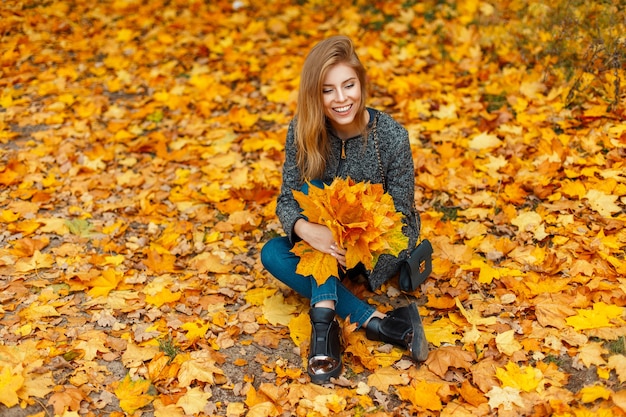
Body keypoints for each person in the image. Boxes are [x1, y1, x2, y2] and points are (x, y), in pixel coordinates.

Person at [260, 35, 428, 385]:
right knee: (273, 252)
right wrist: (308, 231)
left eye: (348, 85)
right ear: (314, 95)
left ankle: (323, 327)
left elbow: (398, 217)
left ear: (361, 84)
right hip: (322, 244)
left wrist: (347, 243)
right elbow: (287, 201)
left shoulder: (391, 138)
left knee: (320, 193)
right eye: (328, 90)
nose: (341, 99)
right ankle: (380, 323)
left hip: (376, 247)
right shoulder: (304, 131)